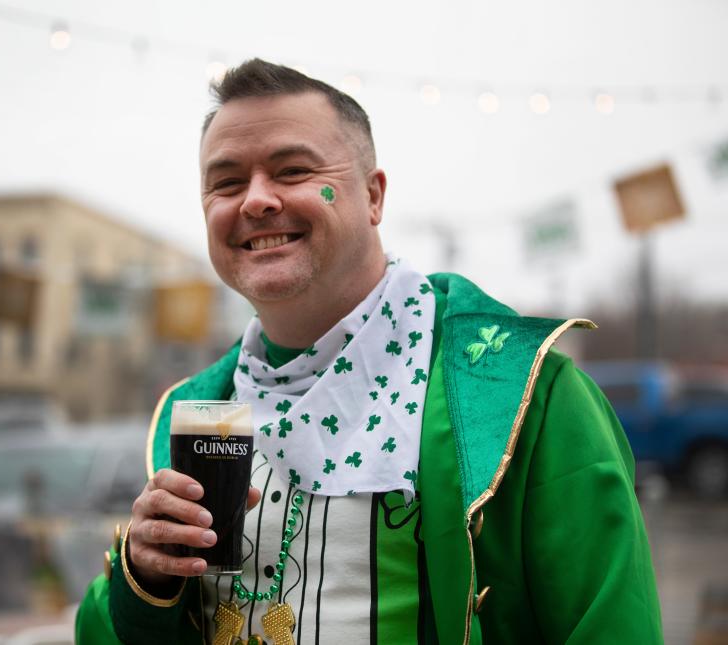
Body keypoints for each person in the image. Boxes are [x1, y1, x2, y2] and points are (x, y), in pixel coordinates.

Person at [75, 59, 663, 645]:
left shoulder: (525, 394)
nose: (255, 200)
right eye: (227, 182)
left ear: (374, 196)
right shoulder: (196, 409)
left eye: (292, 170)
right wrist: (144, 579)